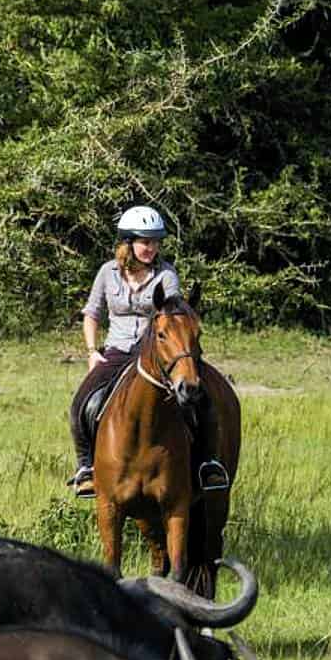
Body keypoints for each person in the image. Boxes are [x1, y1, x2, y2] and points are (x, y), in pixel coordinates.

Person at [67, 205, 231, 499]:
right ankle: (86, 468)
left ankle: (208, 463)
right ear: (128, 243)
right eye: (145, 241)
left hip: (156, 354)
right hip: (116, 352)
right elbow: (92, 313)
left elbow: (174, 313)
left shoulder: (166, 274)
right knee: (82, 402)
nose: (151, 248)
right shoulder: (107, 273)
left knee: (201, 398)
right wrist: (93, 351)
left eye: (155, 242)